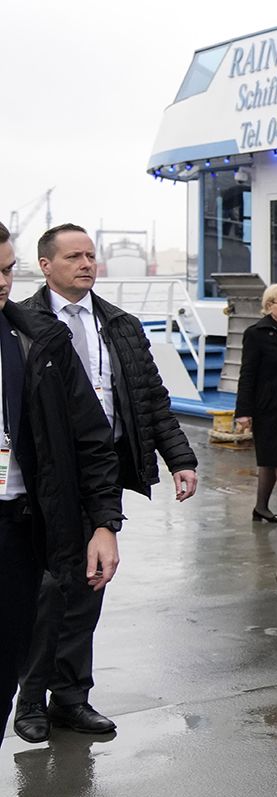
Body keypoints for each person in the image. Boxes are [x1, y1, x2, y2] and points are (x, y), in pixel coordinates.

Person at [13, 224, 198, 743]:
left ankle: (71, 698)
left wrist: (179, 458)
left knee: (91, 583)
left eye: (91, 255)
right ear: (45, 265)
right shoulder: (22, 326)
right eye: (73, 257)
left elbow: (150, 399)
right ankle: (29, 701)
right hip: (45, 474)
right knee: (47, 590)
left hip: (104, 469)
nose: (86, 264)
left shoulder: (120, 325)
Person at [1, 222, 123, 746]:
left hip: (22, 519)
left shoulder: (39, 338)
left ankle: (57, 697)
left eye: (6, 270)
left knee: (29, 634)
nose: (1, 282)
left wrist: (103, 522)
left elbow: (94, 435)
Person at [236, 283, 277, 523]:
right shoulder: (255, 333)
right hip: (267, 408)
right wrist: (243, 412)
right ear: (269, 305)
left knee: (270, 460)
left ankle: (261, 508)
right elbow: (247, 375)